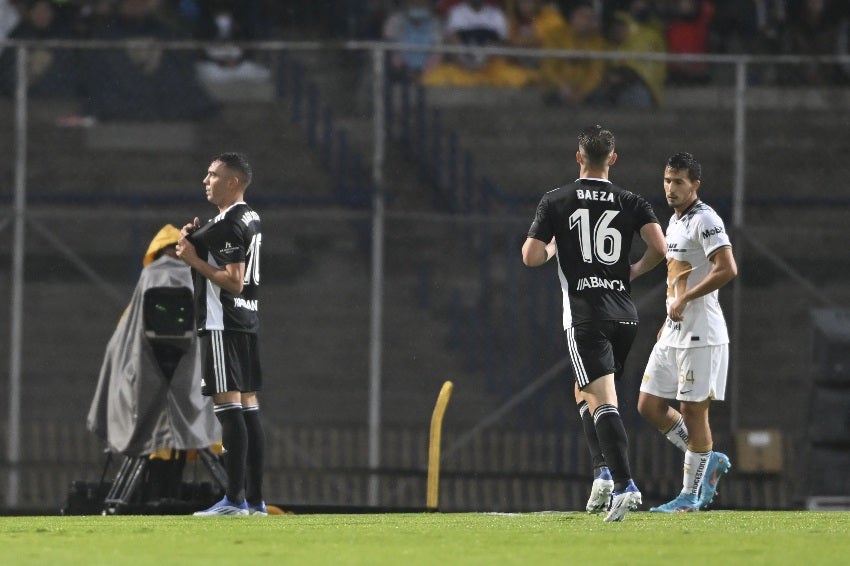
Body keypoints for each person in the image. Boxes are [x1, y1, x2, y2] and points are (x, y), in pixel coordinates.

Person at [522, 125, 666, 522]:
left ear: (578, 156)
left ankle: (624, 484)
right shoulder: (632, 200)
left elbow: (530, 256)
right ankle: (601, 472)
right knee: (584, 389)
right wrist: (632, 271)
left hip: (585, 316)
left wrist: (552, 246)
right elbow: (660, 248)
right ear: (613, 159)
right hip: (625, 314)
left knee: (603, 399)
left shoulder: (556, 200)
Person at [637, 152, 737, 512]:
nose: (670, 188)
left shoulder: (705, 219)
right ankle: (707, 460)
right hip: (674, 330)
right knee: (648, 405)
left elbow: (727, 268)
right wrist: (668, 316)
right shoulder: (675, 221)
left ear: (695, 184)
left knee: (693, 412)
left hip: (701, 333)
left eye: (678, 181)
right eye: (667, 181)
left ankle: (689, 497)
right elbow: (678, 277)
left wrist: (688, 298)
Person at [176, 152, 266, 516]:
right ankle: (256, 500)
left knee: (228, 410)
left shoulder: (228, 223)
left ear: (233, 182)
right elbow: (209, 241)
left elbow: (234, 280)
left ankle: (234, 500)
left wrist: (192, 258)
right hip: (247, 322)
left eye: (212, 175)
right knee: (248, 409)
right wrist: (195, 240)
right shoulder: (251, 217)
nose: (205, 180)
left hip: (221, 322)